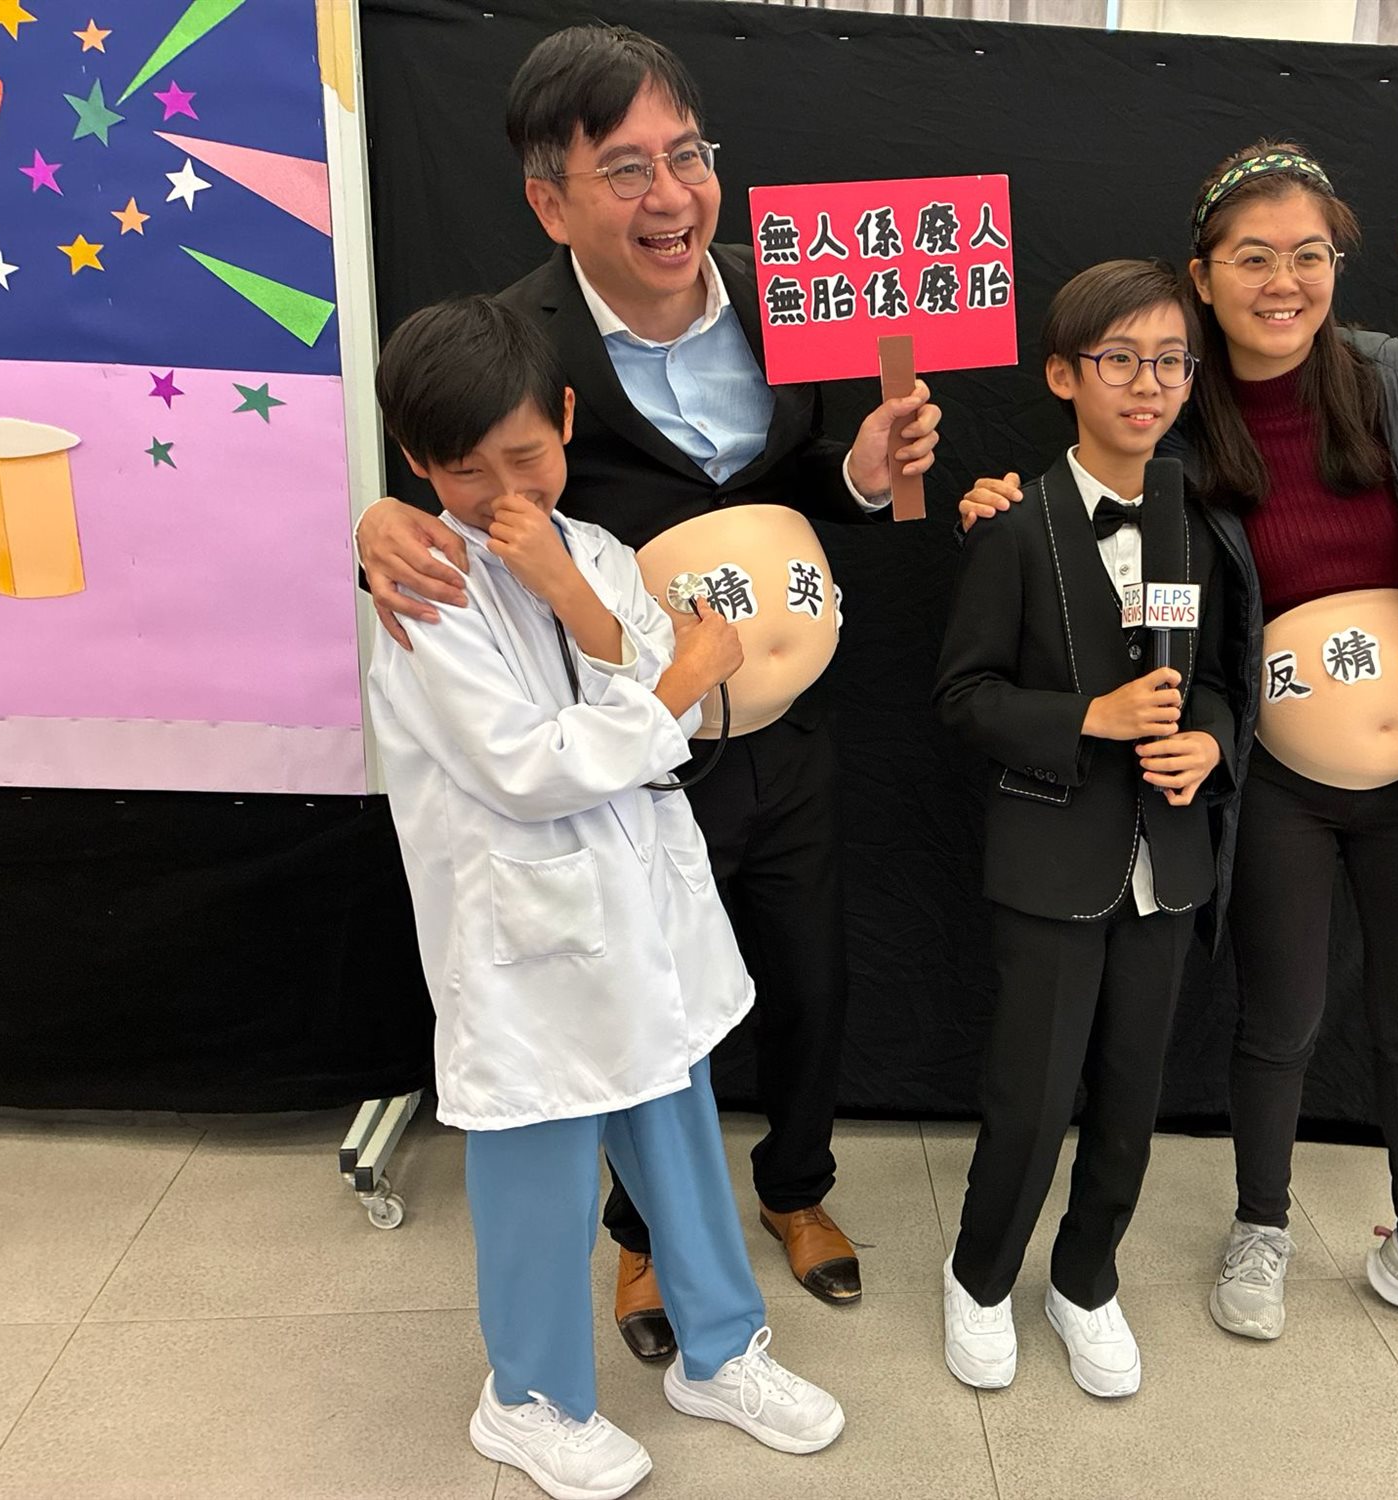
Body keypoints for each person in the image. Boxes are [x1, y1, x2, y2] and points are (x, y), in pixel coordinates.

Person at [963, 141, 1398, 1360]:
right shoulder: (1171, 408)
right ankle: (1258, 1228)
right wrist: (1009, 506)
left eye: (1307, 255)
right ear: (1201, 275)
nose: (1283, 281)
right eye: (1252, 257)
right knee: (1279, 1020)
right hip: (1272, 776)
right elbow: (1101, 519)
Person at [354, 23, 944, 1359]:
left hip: (784, 724)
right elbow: (452, 501)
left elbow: (782, 486)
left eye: (688, 155)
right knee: (641, 993)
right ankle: (644, 1242)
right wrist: (368, 529)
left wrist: (859, 474)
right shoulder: (515, 339)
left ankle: (796, 1188)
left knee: (810, 973)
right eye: (626, 168)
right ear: (548, 199)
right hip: (628, 744)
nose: (671, 195)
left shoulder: (792, 294)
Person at [368, 296, 845, 1499]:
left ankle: (720, 1352)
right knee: (537, 1164)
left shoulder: (592, 550)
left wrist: (583, 605)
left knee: (676, 1131)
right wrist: (671, 684)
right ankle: (526, 1398)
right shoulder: (425, 589)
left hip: (636, 919)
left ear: (568, 419)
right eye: (465, 473)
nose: (503, 494)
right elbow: (533, 768)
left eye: (525, 456)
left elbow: (652, 679)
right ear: (417, 464)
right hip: (526, 942)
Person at [935, 260, 1252, 1399]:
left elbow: (1224, 681)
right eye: (1119, 359)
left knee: (1129, 1096)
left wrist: (1210, 743)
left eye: (1170, 361)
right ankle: (978, 1278)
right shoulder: (1014, 524)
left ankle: (1085, 1278)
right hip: (1050, 860)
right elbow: (963, 697)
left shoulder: (1200, 525)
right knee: (1031, 1096)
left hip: (1167, 862)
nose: (1147, 383)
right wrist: (1088, 719)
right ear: (1064, 375)